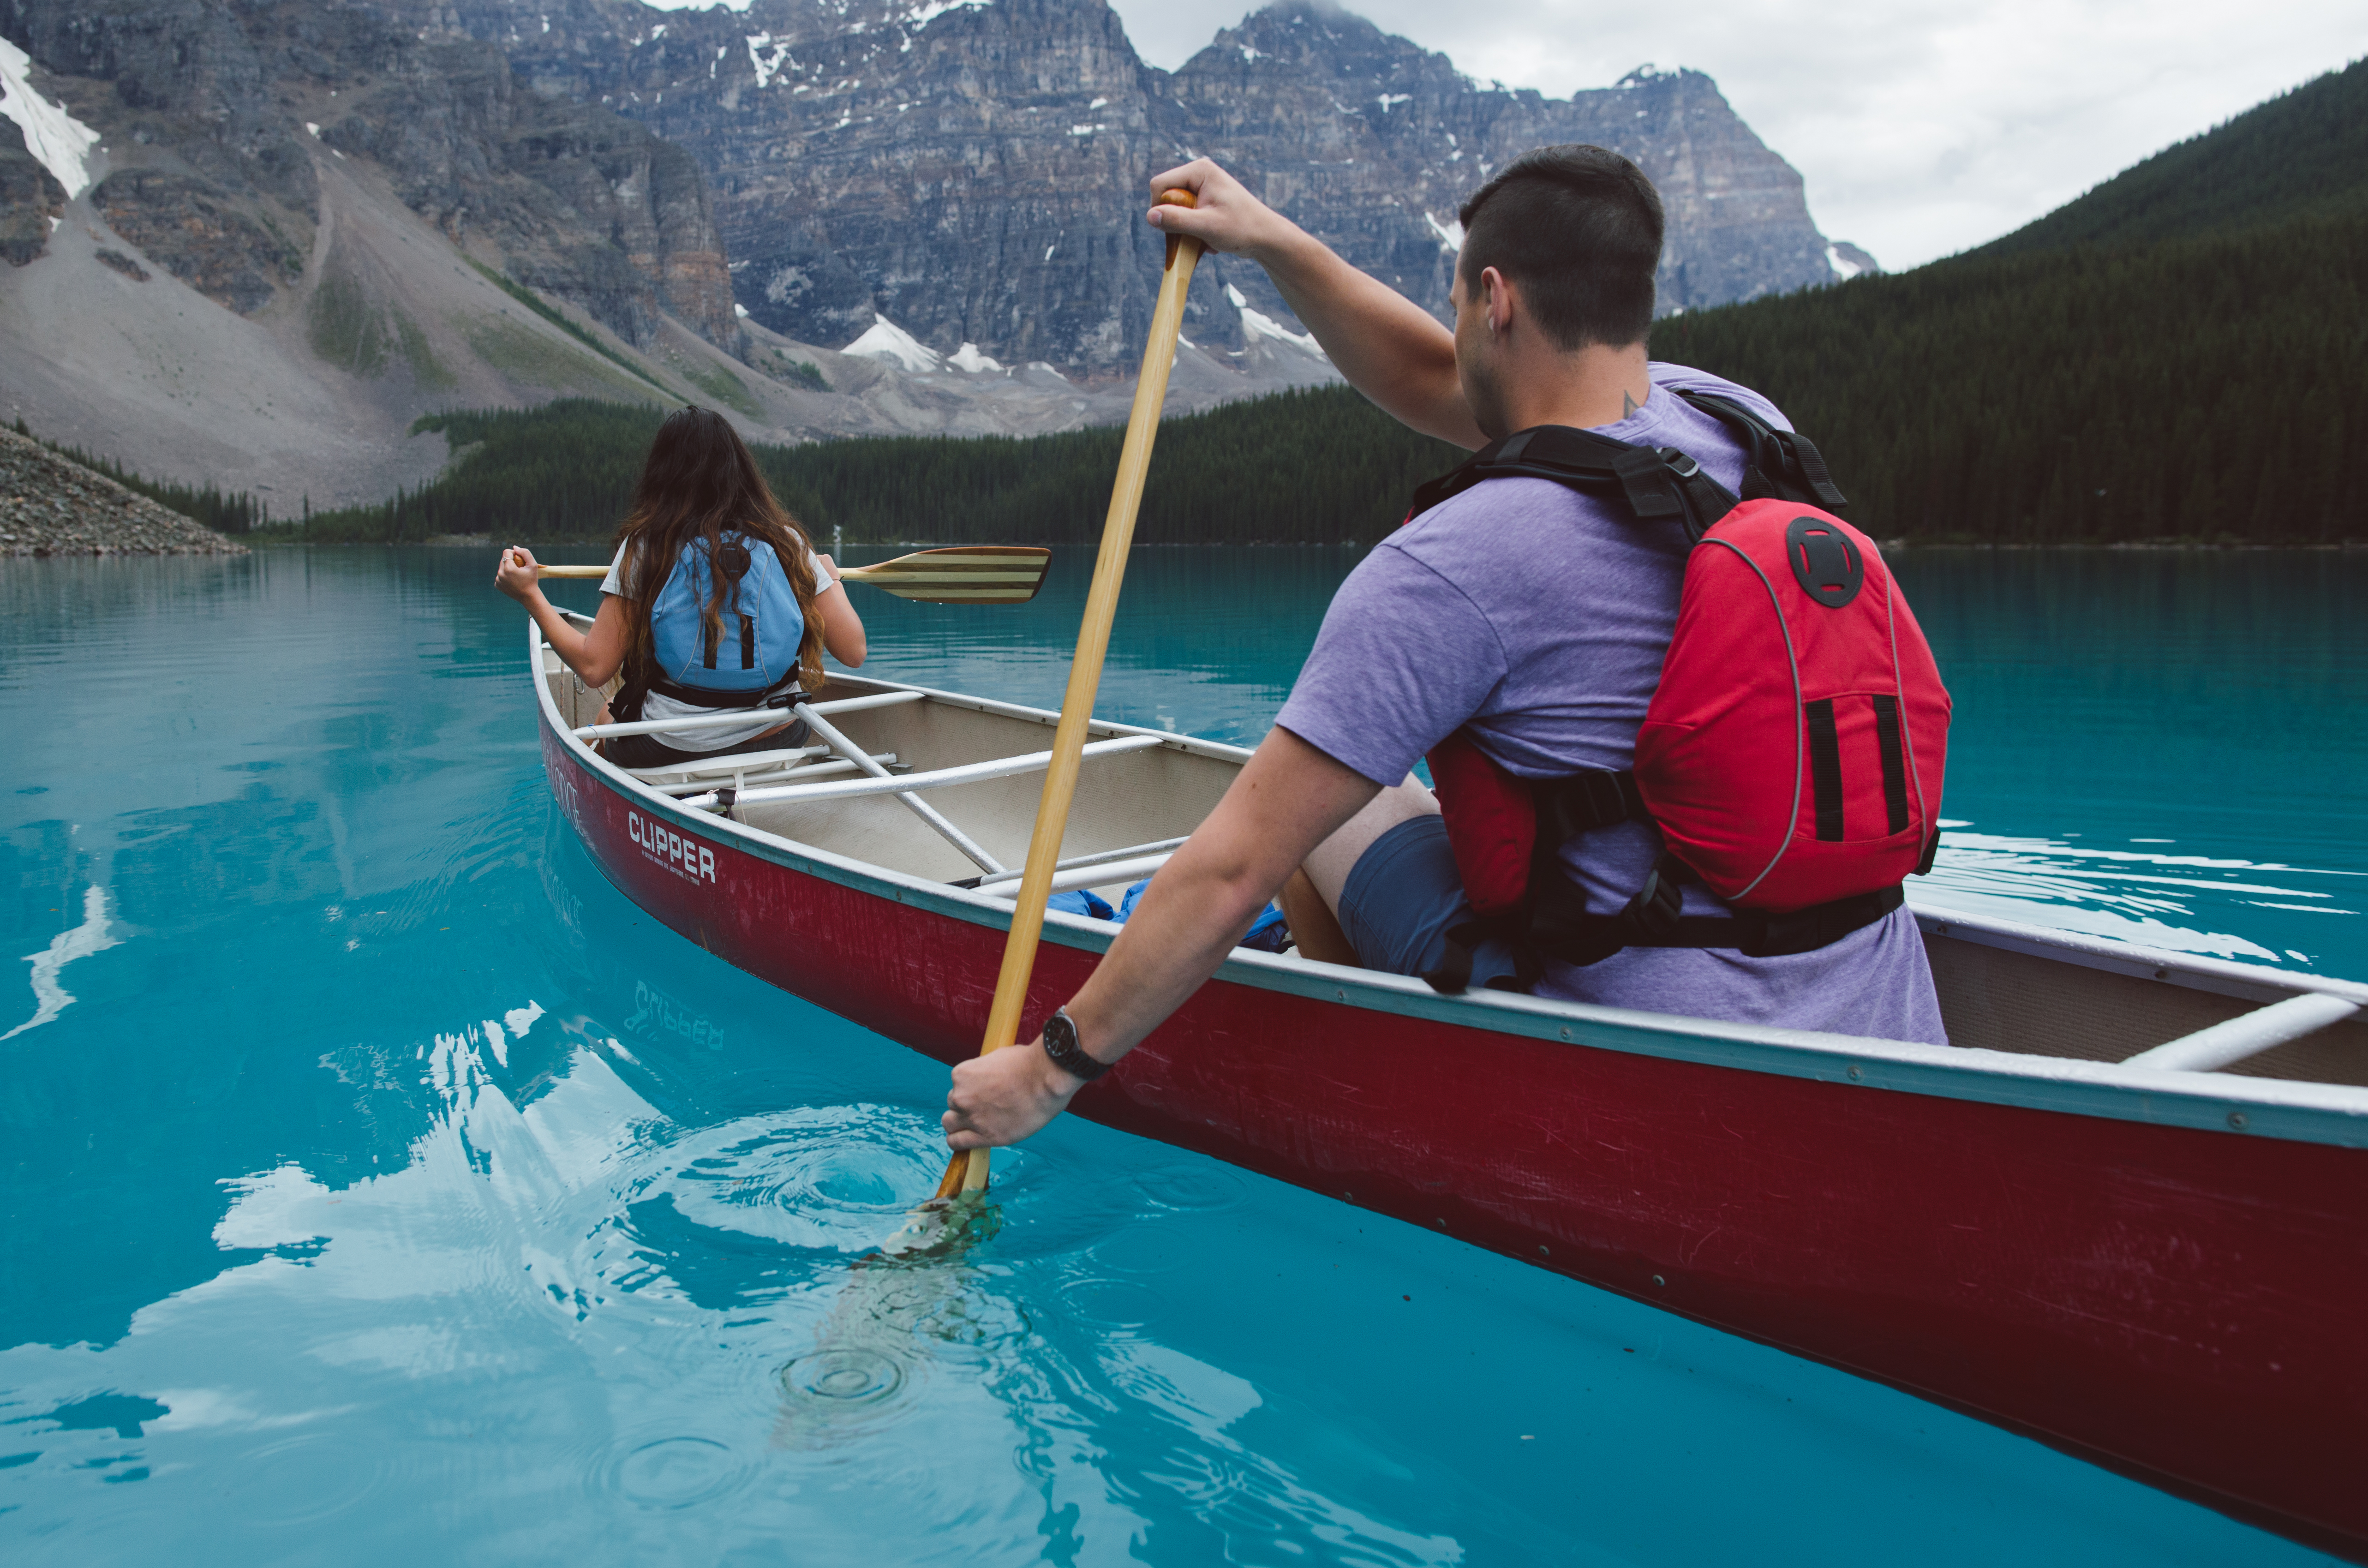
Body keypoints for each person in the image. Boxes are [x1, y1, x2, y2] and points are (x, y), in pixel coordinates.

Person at [944, 145, 1948, 1155]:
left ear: (1495, 301)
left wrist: (1045, 1071)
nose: (1454, 332)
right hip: (1884, 1010)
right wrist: (1270, 239)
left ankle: (1367, 1110)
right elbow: (1436, 379)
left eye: (1459, 302)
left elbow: (1233, 869)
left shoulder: (1455, 562)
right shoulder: (1740, 425)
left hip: (1651, 1073)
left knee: (1320, 814)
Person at [495, 407, 866, 766]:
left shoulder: (647, 548)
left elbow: (594, 668)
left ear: (663, 475)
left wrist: (530, 594)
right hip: (780, 732)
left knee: (609, 714)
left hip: (675, 744)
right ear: (741, 472)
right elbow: (854, 652)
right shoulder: (788, 545)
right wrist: (830, 579)